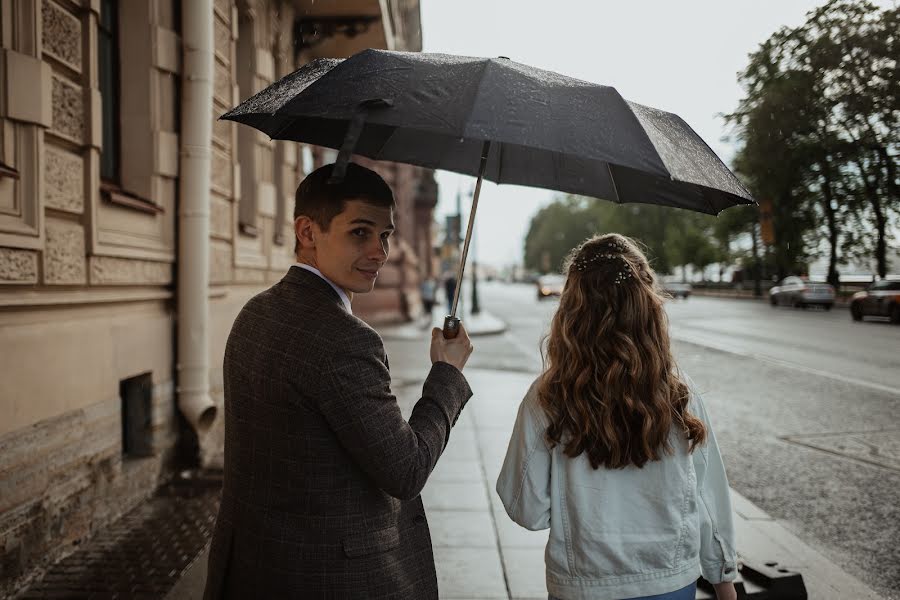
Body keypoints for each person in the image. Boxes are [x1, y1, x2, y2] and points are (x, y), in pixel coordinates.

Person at [204, 162, 474, 599]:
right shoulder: (345, 340)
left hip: (253, 568)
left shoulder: (254, 312)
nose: (380, 252)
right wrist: (447, 373)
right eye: (359, 233)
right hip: (328, 577)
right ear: (308, 233)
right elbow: (405, 469)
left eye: (385, 235)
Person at [496, 233, 737, 600]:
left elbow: (527, 511)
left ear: (572, 309)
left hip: (582, 586)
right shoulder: (678, 393)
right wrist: (723, 579)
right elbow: (709, 496)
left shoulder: (547, 397)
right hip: (670, 582)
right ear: (647, 306)